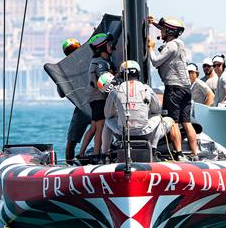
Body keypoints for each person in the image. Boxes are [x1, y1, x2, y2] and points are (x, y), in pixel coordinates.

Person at [101, 60, 179, 155]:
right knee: (159, 117)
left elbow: (108, 114)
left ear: (122, 74)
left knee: (107, 121)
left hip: (123, 133)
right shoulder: (147, 88)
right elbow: (157, 109)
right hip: (145, 132)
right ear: (138, 74)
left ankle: (105, 154)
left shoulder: (115, 90)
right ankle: (154, 149)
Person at [148, 16, 198, 160]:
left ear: (169, 32)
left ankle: (179, 153)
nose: (161, 31)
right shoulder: (179, 43)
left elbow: (156, 62)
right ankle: (195, 154)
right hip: (186, 88)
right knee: (186, 122)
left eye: (163, 29)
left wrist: (151, 48)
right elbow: (168, 32)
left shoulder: (170, 46)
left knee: (172, 121)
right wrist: (155, 24)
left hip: (174, 88)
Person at [61, 38, 93, 164]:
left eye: (75, 49)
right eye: (70, 51)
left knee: (104, 134)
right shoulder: (67, 69)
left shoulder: (91, 60)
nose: (74, 53)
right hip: (81, 106)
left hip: (98, 103)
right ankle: (69, 165)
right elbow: (61, 93)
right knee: (71, 140)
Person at [86, 33, 115, 161]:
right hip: (99, 98)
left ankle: (82, 153)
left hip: (94, 97)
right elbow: (105, 82)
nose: (111, 47)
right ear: (103, 47)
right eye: (109, 44)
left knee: (94, 127)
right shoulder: (102, 64)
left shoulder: (97, 61)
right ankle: (96, 154)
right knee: (100, 126)